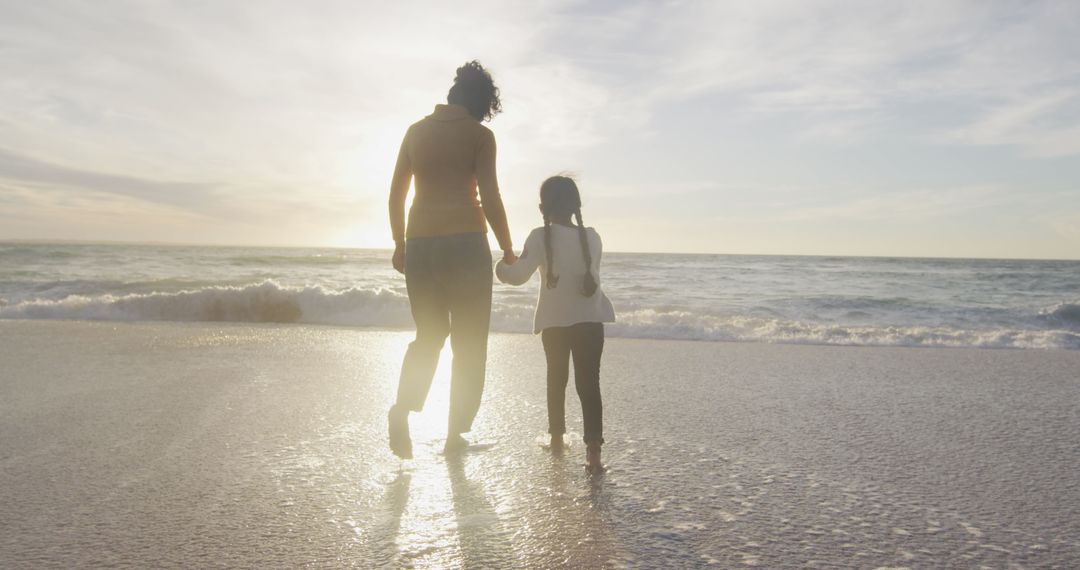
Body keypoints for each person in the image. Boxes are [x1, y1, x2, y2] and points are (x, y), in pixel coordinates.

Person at [387, 61, 516, 458]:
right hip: (465, 245)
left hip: (421, 245)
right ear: (481, 102)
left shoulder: (415, 132)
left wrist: (399, 244)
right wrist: (508, 248)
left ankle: (402, 408)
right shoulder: (480, 136)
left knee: (429, 335)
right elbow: (490, 198)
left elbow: (396, 196)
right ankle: (455, 433)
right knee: (469, 344)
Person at [496, 175, 615, 472]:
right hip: (590, 320)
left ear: (542, 207)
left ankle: (557, 440)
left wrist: (502, 263)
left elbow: (516, 276)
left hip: (555, 323)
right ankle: (594, 452)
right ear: (576, 206)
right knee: (589, 383)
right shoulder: (593, 237)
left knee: (556, 380)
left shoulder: (539, 236)